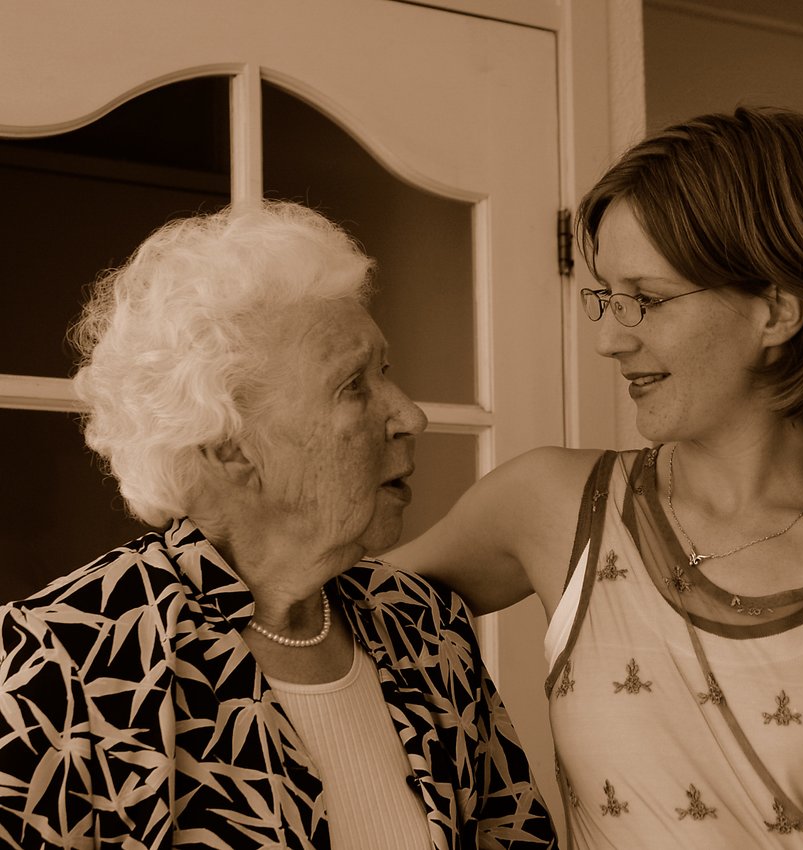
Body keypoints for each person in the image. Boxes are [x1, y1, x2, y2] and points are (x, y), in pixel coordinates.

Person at [389, 106, 803, 848]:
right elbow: (319, 617)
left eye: (647, 299)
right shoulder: (551, 505)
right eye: (608, 295)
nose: (609, 337)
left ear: (778, 311)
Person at [0, 201, 558, 849]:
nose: (409, 416)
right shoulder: (60, 661)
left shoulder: (424, 627)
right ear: (229, 446)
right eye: (354, 385)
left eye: (386, 373)